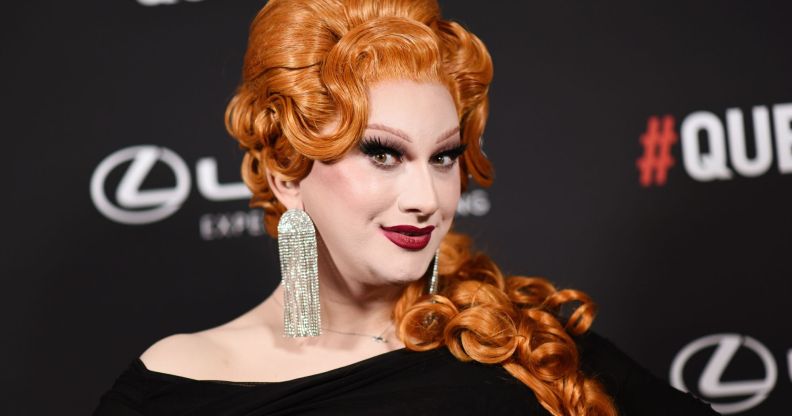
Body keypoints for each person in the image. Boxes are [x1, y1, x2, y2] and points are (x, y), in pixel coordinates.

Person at [94, 0, 719, 415]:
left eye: (444, 157)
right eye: (383, 154)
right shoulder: (174, 384)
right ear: (287, 173)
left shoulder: (519, 336)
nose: (426, 200)